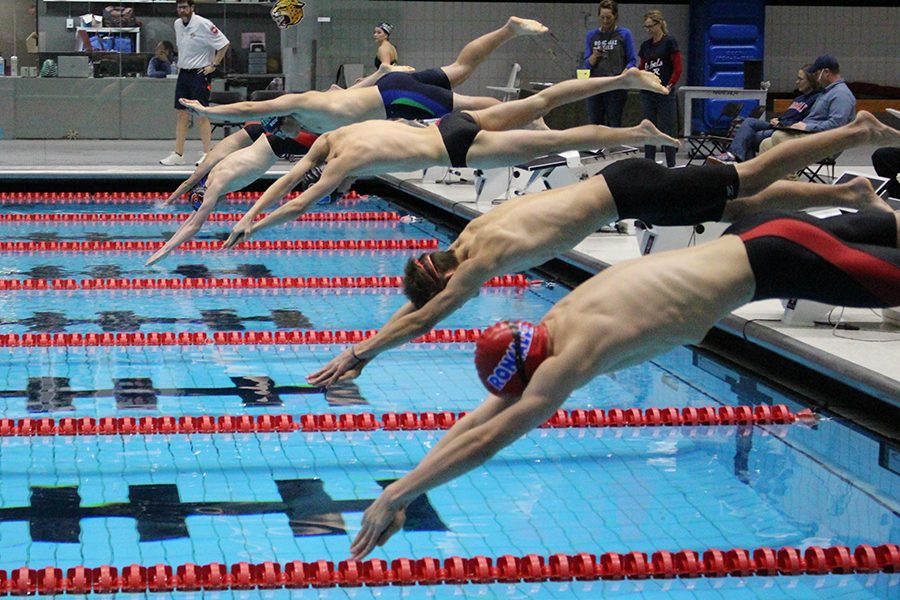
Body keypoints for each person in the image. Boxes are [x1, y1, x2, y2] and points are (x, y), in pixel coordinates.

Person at [349, 205, 900, 559]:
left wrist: (396, 497)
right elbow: (480, 419)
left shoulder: (573, 355)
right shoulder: (555, 322)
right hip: (769, 233)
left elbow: (492, 436)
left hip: (786, 260)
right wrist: (408, 486)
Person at [307, 112, 898, 387]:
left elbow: (428, 314)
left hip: (630, 189)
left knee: (749, 175)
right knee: (737, 208)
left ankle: (854, 132)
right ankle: (849, 190)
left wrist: (362, 353)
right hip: (628, 192)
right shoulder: (461, 243)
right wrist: (373, 339)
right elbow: (421, 303)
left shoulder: (478, 262)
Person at [221, 69, 676, 251]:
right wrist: (251, 215)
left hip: (455, 149)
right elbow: (285, 185)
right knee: (542, 102)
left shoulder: (340, 165)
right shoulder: (334, 139)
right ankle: (622, 78)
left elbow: (297, 200)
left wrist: (253, 227)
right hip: (446, 124)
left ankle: (635, 132)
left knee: (552, 140)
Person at [179, 17, 548, 135]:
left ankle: (534, 115)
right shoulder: (315, 113)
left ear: (280, 120)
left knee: (471, 106)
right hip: (389, 91)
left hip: (394, 98)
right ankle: (508, 30)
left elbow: (248, 109)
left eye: (280, 129)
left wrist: (209, 111)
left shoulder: (302, 106)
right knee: (461, 70)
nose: (287, 136)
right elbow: (352, 95)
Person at [146, 116, 319, 266]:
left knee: (327, 139)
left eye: (211, 205)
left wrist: (166, 250)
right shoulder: (212, 177)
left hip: (279, 143)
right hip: (269, 139)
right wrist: (169, 243)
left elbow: (194, 224)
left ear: (204, 195)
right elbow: (192, 218)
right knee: (318, 124)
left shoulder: (216, 186)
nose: (214, 207)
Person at [159, 0, 230, 167]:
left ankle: (207, 153)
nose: (182, 10)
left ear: (192, 8)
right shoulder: (177, 24)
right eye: (179, 7)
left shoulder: (204, 24)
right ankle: (178, 154)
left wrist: (213, 65)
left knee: (202, 114)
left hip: (199, 74)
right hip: (183, 73)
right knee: (181, 113)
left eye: (185, 7)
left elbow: (224, 44)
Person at [713, 65, 822, 163]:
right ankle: (738, 159)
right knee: (748, 122)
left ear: (811, 81)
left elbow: (804, 121)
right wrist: (778, 119)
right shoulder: (799, 98)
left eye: (800, 79)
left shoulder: (816, 99)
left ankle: (744, 166)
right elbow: (789, 115)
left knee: (748, 138)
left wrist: (782, 123)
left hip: (787, 131)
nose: (797, 82)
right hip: (779, 125)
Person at [757, 55, 856, 155]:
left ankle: (789, 170)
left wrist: (807, 127)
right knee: (766, 144)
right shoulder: (827, 92)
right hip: (813, 135)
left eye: (817, 74)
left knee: (779, 136)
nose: (816, 78)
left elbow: (836, 125)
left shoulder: (840, 94)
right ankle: (771, 171)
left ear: (826, 72)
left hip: (825, 141)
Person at [582, 1, 637, 128]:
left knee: (614, 122)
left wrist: (624, 74)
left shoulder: (624, 34)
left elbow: (632, 60)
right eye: (602, 17)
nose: (605, 21)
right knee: (595, 123)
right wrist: (594, 56)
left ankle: (612, 147)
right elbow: (587, 64)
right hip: (595, 85)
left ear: (615, 16)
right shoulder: (592, 35)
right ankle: (596, 147)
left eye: (609, 18)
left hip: (616, 85)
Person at [638, 9, 681, 167]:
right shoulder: (645, 46)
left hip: (664, 91)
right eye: (646, 27)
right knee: (648, 127)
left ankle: (671, 164)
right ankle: (649, 163)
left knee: (667, 128)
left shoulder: (669, 42)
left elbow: (677, 67)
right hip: (648, 92)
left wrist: (670, 85)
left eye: (650, 26)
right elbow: (642, 68)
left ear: (659, 24)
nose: (648, 29)